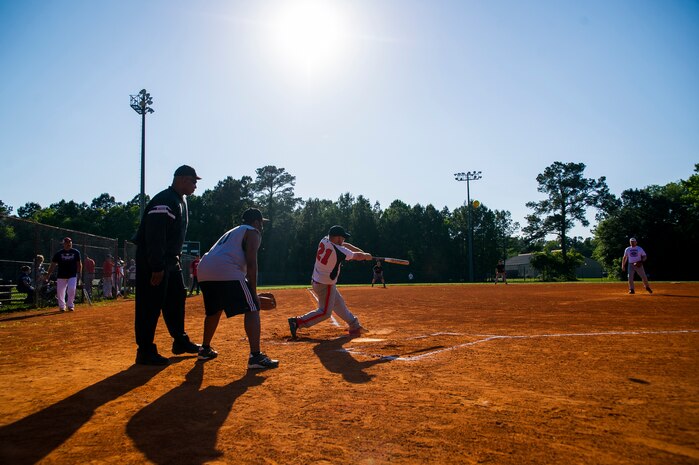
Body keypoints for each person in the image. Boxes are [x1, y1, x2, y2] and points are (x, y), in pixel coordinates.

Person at [132, 165, 202, 365]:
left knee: (176, 298)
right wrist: (156, 266)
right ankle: (145, 350)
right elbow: (155, 235)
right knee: (150, 304)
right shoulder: (165, 199)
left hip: (171, 260)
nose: (195, 185)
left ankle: (180, 340)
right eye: (193, 180)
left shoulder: (181, 200)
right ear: (180, 179)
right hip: (154, 260)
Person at [196, 208, 279, 369]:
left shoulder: (234, 232)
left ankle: (205, 349)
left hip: (204, 270)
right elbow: (251, 263)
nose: (262, 226)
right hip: (226, 269)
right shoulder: (252, 231)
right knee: (253, 307)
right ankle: (256, 357)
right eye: (261, 223)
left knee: (214, 310)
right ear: (256, 222)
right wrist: (253, 293)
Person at [288, 225, 373, 339]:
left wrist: (363, 253)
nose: (344, 240)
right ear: (337, 238)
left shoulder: (325, 239)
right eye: (342, 238)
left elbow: (346, 246)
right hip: (325, 284)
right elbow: (356, 256)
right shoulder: (338, 250)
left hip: (318, 279)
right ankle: (297, 322)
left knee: (338, 304)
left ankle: (354, 326)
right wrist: (365, 256)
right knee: (325, 312)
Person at [45, 237, 82, 312]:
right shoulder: (58, 253)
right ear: (63, 244)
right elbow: (52, 265)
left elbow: (79, 264)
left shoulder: (76, 252)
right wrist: (48, 275)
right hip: (61, 275)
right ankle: (62, 307)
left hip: (72, 274)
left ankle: (70, 305)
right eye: (67, 243)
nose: (68, 244)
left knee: (72, 289)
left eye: (70, 242)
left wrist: (79, 273)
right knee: (60, 292)